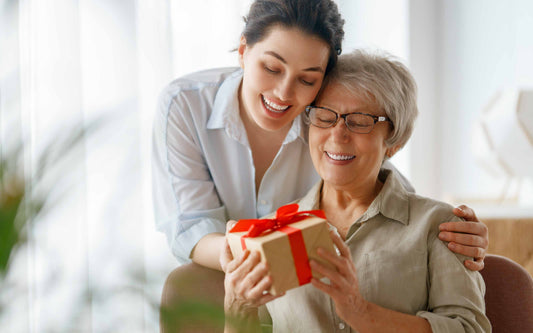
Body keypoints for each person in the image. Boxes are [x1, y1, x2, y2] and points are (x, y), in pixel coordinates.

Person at [153, 0, 488, 276]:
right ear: (243, 49)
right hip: (219, 281)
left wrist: (447, 233)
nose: (284, 93)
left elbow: (384, 186)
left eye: (307, 79)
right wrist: (244, 258)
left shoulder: (325, 121)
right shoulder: (185, 105)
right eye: (271, 68)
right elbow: (190, 225)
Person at [222, 50, 491, 332]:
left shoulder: (440, 226)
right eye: (325, 116)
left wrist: (360, 312)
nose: (338, 134)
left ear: (393, 141)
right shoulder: (271, 232)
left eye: (360, 121)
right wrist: (236, 307)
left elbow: (470, 329)